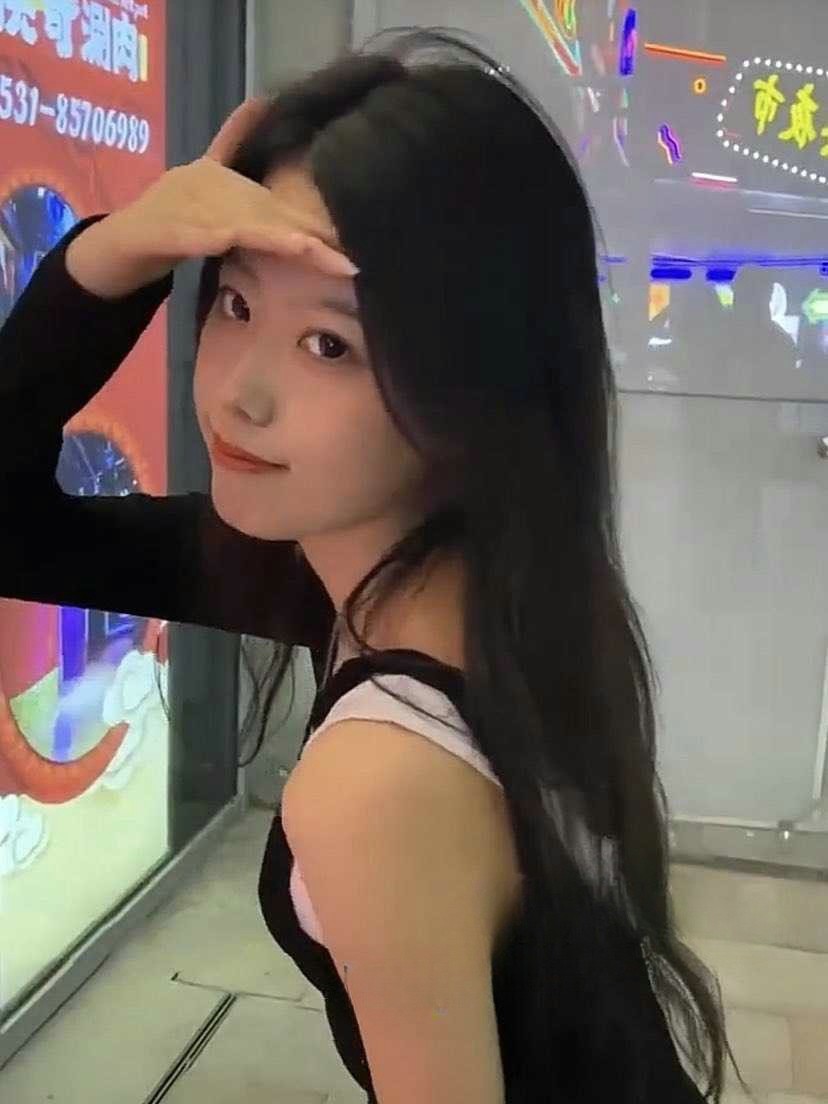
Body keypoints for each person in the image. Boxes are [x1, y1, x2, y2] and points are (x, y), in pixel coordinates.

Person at [0, 31, 750, 1104]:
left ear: (470, 384)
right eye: (236, 303)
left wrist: (111, 259)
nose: (240, 395)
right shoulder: (462, 575)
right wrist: (117, 253)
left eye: (331, 346)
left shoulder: (378, 775)